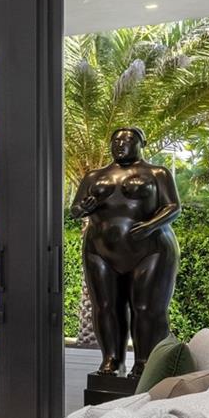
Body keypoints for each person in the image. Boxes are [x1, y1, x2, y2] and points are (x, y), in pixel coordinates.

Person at [69, 127, 182, 377]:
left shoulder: (157, 173)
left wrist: (150, 226)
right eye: (116, 140)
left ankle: (144, 361)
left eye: (127, 140)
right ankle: (111, 359)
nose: (120, 144)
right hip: (100, 250)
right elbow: (75, 210)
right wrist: (83, 207)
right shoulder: (94, 176)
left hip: (150, 250)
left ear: (142, 143)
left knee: (146, 307)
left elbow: (173, 207)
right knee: (105, 306)